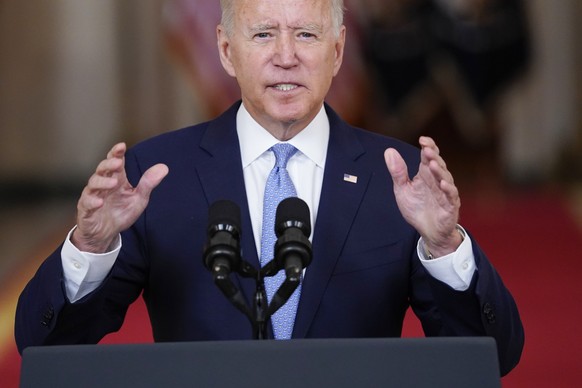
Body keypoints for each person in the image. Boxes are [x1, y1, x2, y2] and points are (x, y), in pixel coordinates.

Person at [15, 0, 523, 376]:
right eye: (262, 35)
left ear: (339, 50)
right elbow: (45, 346)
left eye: (306, 34)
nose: (286, 57)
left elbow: (492, 357)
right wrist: (91, 248)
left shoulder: (395, 175)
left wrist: (445, 247)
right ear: (225, 50)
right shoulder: (156, 175)